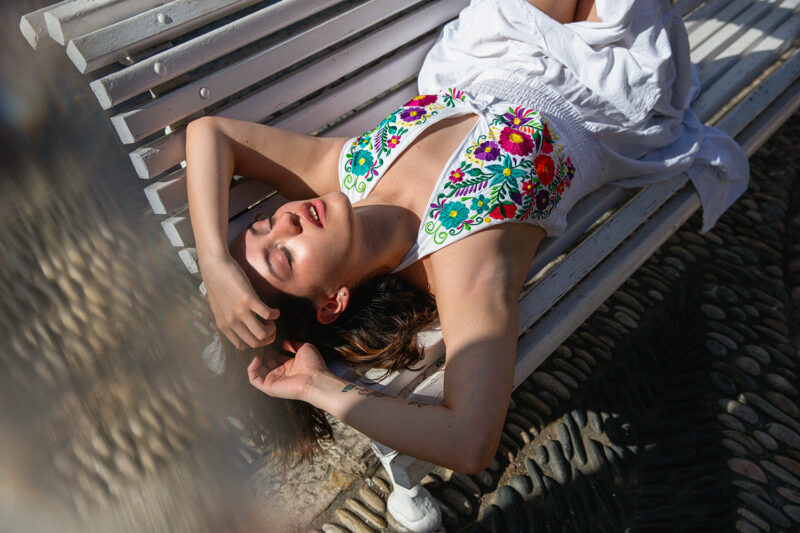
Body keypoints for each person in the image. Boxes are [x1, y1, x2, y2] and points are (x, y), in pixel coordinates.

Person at [186, 0, 748, 472]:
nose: (286, 221)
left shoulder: (347, 172)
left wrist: (215, 261)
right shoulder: (460, 259)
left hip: (494, 47)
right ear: (332, 302)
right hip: (600, 92)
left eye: (265, 223)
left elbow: (210, 133)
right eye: (283, 257)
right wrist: (317, 387)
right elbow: (469, 442)